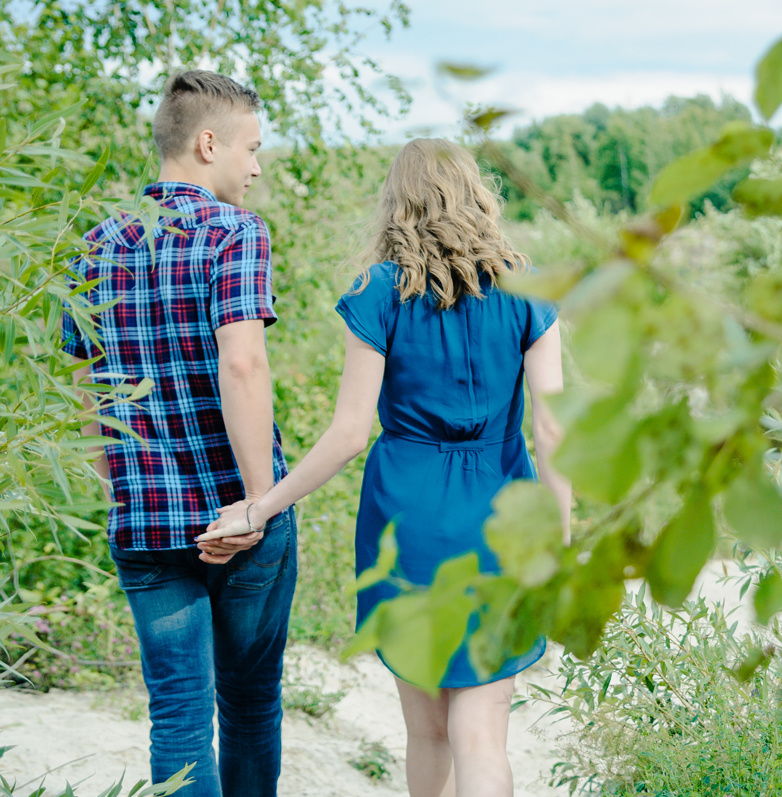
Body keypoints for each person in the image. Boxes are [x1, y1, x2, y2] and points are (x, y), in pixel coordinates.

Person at [199, 137, 571, 797]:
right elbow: (552, 426)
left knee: (427, 730)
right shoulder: (526, 286)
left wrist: (261, 505)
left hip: (407, 519)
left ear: (397, 202)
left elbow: (347, 434)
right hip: (503, 516)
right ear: (475, 194)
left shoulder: (379, 291)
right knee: (482, 732)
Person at [61, 71, 294, 796]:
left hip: (146, 524)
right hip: (240, 513)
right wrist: (258, 502)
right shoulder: (234, 232)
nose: (256, 166)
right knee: (250, 705)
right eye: (251, 148)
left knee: (179, 717)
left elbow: (84, 388)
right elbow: (244, 361)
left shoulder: (95, 246)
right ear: (206, 143)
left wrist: (121, 487)